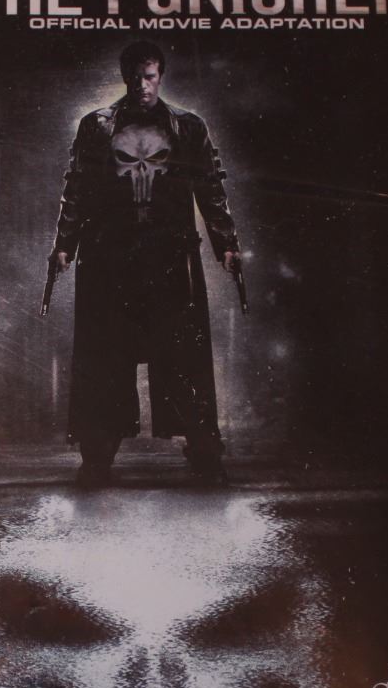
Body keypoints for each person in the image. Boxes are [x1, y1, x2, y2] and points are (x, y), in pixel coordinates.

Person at [47, 40, 244, 485]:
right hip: (112, 260)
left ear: (160, 76)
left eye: (149, 77)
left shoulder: (187, 127)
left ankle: (204, 450)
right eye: (135, 77)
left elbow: (210, 187)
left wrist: (225, 243)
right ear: (125, 77)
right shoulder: (97, 126)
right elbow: (77, 187)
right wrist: (65, 242)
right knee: (107, 356)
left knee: (183, 355)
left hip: (169, 259)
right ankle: (97, 456)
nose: (142, 85)